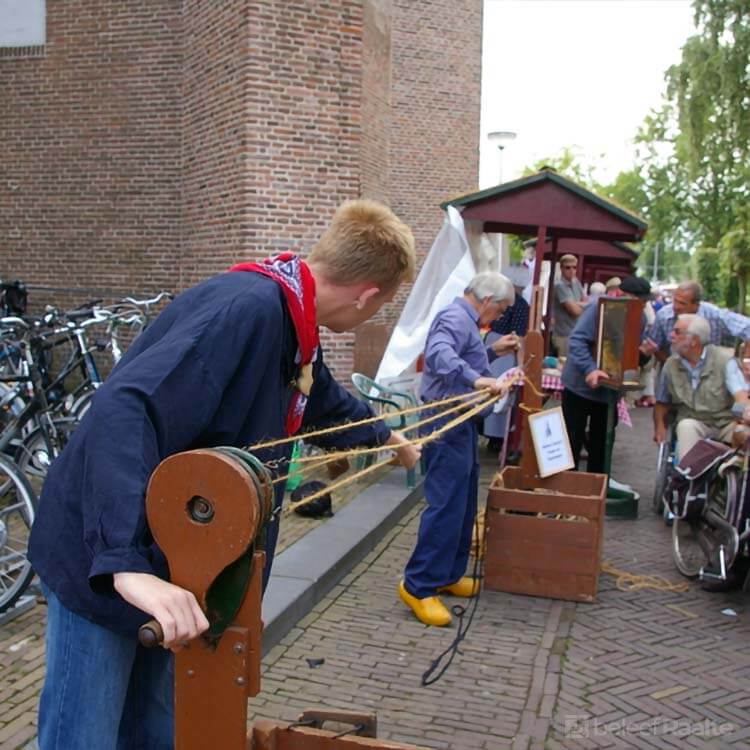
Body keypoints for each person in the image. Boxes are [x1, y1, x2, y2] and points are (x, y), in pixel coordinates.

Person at [28, 199, 422, 749]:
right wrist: (123, 562)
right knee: (85, 735)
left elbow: (322, 400)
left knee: (156, 728)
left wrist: (385, 436)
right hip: (102, 553)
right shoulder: (247, 310)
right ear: (367, 296)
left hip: (175, 562)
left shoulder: (293, 323)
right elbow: (124, 408)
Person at [398, 271, 513, 627]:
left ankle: (447, 574)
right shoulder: (453, 316)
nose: (499, 316)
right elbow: (439, 355)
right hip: (444, 421)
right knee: (446, 503)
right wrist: (477, 378)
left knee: (462, 503)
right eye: (502, 310)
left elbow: (462, 355)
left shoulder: (465, 320)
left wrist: (492, 352)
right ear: (489, 301)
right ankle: (418, 585)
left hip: (461, 421)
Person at [561, 275, 652, 474]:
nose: (643, 305)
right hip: (579, 387)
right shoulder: (597, 309)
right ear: (620, 294)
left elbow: (630, 352)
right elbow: (576, 341)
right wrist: (591, 369)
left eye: (645, 302)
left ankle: (596, 491)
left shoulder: (640, 317)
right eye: (639, 301)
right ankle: (565, 491)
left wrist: (643, 355)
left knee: (601, 444)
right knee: (571, 440)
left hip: (608, 392)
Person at [653, 314, 738, 460]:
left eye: (677, 332)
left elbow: (740, 393)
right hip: (694, 421)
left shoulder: (724, 360)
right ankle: (688, 476)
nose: (671, 336)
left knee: (742, 434)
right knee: (686, 426)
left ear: (694, 340)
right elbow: (662, 402)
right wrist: (659, 427)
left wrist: (743, 410)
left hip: (726, 423)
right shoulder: (670, 365)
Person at [644, 281, 750, 363]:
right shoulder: (663, 315)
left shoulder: (714, 315)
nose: (676, 307)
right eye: (675, 300)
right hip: (673, 372)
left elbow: (747, 327)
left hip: (709, 374)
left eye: (682, 303)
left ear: (696, 305)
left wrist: (745, 360)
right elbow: (654, 345)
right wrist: (672, 365)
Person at [552, 253, 586, 357]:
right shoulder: (559, 286)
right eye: (568, 267)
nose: (572, 270)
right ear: (561, 268)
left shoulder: (576, 283)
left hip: (575, 334)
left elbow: (587, 303)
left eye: (574, 267)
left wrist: (577, 304)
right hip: (563, 335)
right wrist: (580, 305)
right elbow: (575, 311)